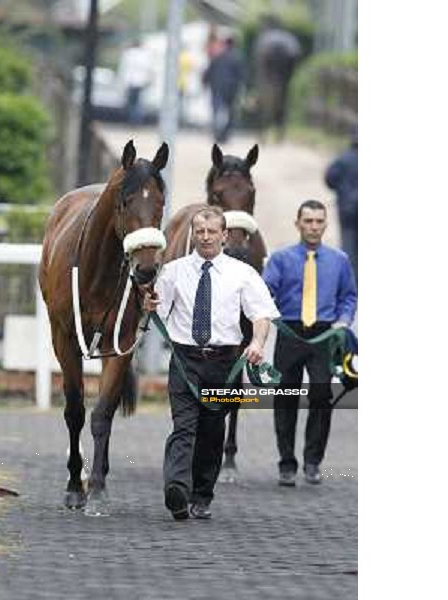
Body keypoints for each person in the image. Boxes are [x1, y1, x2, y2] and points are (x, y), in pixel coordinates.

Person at [144, 206, 279, 520]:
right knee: (184, 426)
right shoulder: (173, 271)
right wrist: (147, 303)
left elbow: (260, 314)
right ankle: (177, 489)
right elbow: (156, 311)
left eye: (211, 231)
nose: (204, 237)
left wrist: (257, 342)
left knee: (213, 430)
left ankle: (202, 494)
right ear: (193, 234)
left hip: (224, 363)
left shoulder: (242, 273)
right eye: (199, 231)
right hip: (184, 359)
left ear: (224, 235)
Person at [262, 200, 357, 486]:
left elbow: (349, 296)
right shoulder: (281, 259)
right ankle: (287, 463)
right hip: (291, 333)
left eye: (319, 221)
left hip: (325, 335)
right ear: (298, 224)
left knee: (321, 396)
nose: (314, 227)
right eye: (308, 221)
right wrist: (271, 314)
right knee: (285, 397)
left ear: (325, 225)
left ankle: (313, 461)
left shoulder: (339, 260)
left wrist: (343, 320)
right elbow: (265, 291)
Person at [254, 16, 301, 139]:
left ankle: (262, 131)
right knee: (283, 105)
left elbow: (259, 59)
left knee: (264, 104)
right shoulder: (289, 38)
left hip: (267, 76)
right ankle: (280, 133)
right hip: (284, 76)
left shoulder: (265, 38)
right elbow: (295, 56)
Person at [325, 128, 358, 281]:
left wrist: (340, 189)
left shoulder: (342, 159)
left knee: (349, 245)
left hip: (347, 209)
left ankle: (350, 282)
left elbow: (329, 178)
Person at [202, 36, 245, 143]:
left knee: (217, 111)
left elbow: (209, 71)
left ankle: (217, 133)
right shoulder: (238, 58)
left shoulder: (217, 57)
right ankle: (225, 135)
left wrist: (204, 83)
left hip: (217, 88)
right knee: (231, 113)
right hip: (232, 89)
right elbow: (242, 75)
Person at [118, 39, 153, 126]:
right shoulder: (145, 55)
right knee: (138, 103)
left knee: (132, 102)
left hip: (131, 81)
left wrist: (122, 81)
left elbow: (124, 69)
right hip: (141, 82)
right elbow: (149, 69)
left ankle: (132, 120)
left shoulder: (128, 53)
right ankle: (137, 120)